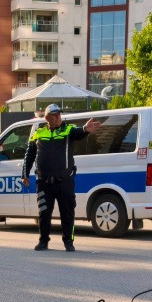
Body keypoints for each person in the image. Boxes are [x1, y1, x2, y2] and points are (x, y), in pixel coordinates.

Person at [22, 103, 100, 251]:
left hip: (65, 181)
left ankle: (68, 242)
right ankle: (43, 240)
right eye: (55, 115)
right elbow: (29, 154)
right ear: (47, 117)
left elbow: (79, 132)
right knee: (44, 212)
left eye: (59, 114)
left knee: (68, 212)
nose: (58, 117)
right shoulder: (38, 133)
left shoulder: (68, 129)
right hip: (44, 181)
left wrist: (85, 129)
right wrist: (24, 174)